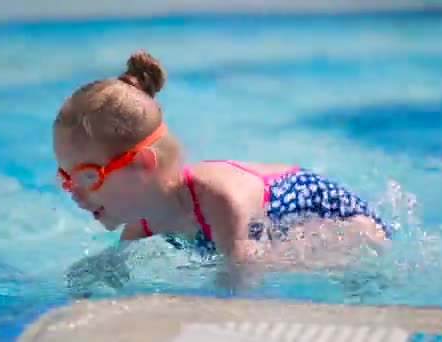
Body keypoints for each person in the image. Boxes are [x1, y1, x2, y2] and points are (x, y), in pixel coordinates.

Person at [52, 50, 392, 289]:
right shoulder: (142, 220)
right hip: (268, 230)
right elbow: (111, 272)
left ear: (142, 165)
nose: (75, 194)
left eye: (87, 176)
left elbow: (240, 287)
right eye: (66, 179)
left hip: (348, 223)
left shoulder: (218, 200)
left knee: (273, 262)